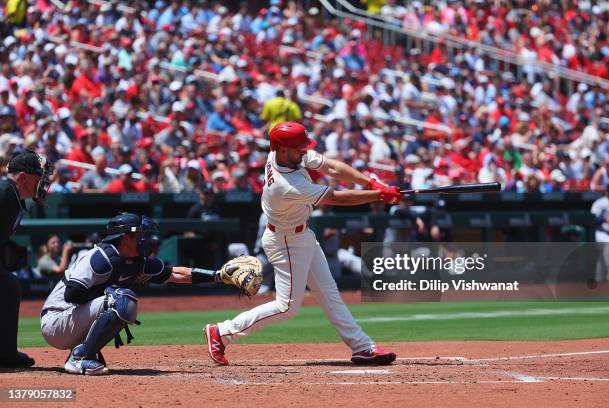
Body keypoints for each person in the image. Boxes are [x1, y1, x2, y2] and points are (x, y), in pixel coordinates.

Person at [205, 122, 400, 366]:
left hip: (300, 235)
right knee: (287, 306)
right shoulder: (286, 185)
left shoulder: (284, 154)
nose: (303, 152)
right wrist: (379, 195)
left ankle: (362, 347)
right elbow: (336, 197)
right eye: (299, 148)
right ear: (284, 149)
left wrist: (372, 183)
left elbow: (331, 167)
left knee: (329, 293)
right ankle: (223, 332)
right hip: (285, 241)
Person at [40, 212, 245, 375]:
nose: (145, 239)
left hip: (73, 319)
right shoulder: (99, 257)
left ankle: (85, 352)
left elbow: (175, 273)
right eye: (139, 234)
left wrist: (219, 275)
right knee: (121, 299)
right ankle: (80, 357)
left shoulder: (137, 262)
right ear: (125, 237)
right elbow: (72, 293)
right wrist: (107, 293)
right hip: (57, 320)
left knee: (120, 299)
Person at [0, 149, 53, 368]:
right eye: (39, 176)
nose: (43, 181)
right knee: (8, 285)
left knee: (8, 285)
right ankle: (5, 355)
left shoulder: (12, 196)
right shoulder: (4, 193)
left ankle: (5, 354)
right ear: (22, 177)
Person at [591, 182, 609, 282]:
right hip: (602, 234)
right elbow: (593, 219)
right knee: (606, 260)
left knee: (603, 261)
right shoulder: (600, 203)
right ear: (606, 191)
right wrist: (606, 219)